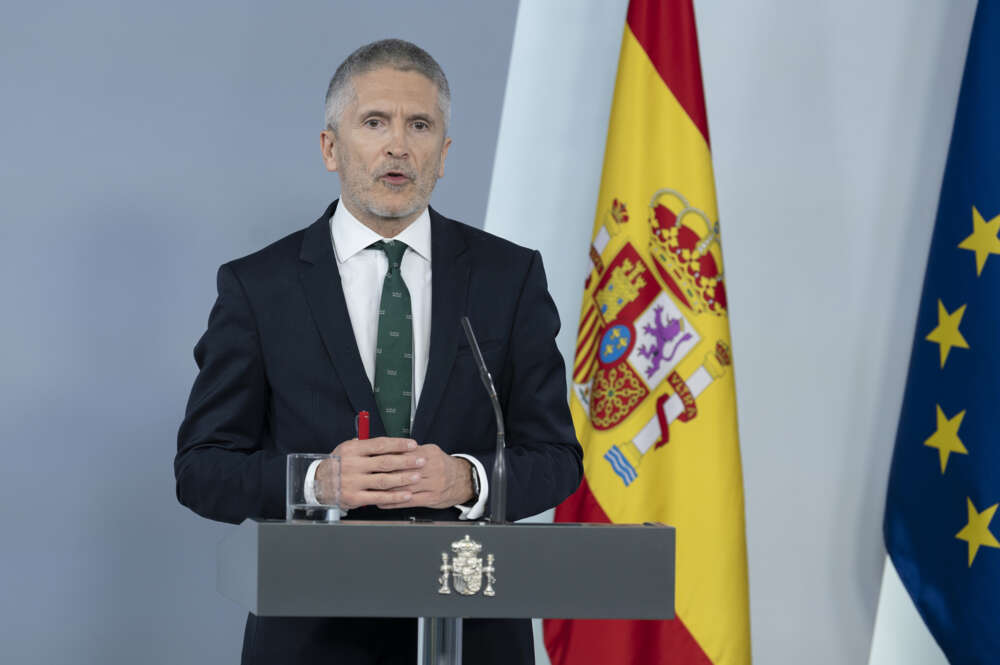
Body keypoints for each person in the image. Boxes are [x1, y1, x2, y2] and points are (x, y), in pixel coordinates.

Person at [174, 39, 582, 664]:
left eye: (419, 125)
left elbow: (556, 458)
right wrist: (316, 481)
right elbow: (202, 470)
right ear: (330, 148)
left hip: (472, 628)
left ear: (443, 154)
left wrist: (466, 479)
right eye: (374, 123)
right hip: (313, 638)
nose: (398, 145)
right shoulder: (259, 286)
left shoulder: (510, 276)